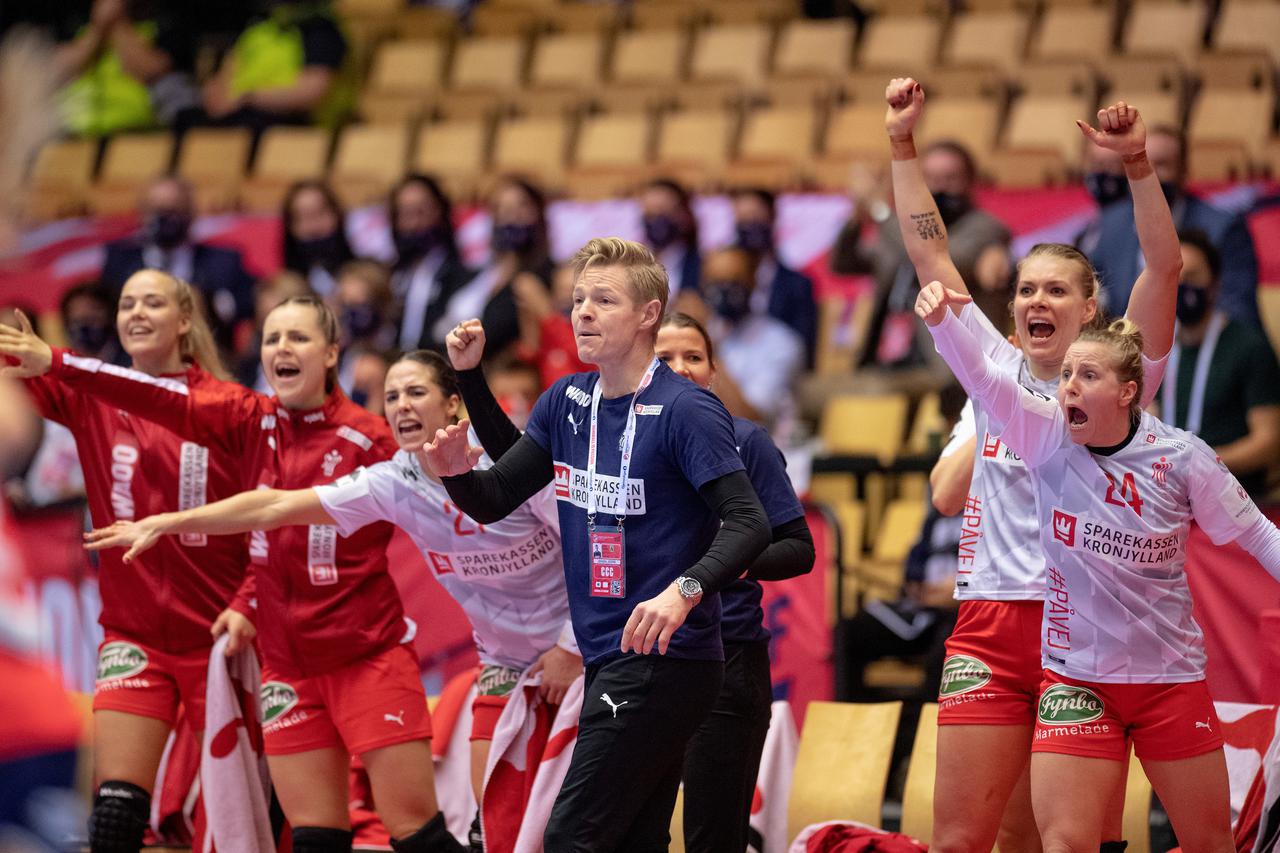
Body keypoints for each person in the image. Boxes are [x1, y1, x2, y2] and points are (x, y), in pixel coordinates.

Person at [1, 295, 462, 853]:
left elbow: (454, 501)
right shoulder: (249, 420)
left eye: (297, 338)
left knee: (417, 835)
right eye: (271, 339)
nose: (281, 349)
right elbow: (153, 394)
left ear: (332, 353)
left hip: (366, 660)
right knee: (314, 839)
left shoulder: (373, 440)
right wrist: (57, 363)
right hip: (287, 669)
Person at [84, 347, 581, 850]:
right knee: (492, 828)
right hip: (505, 660)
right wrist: (168, 523)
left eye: (416, 392)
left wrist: (569, 647)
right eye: (391, 396)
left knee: (575, 827)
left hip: (583, 652)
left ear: (454, 403)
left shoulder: (509, 459)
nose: (402, 406)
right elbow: (274, 505)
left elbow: (590, 545)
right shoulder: (393, 482)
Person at [887, 79, 1181, 853]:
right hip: (988, 621)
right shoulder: (992, 371)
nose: (1034, 300)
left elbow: (1166, 266)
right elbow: (927, 246)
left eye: (1056, 289)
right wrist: (901, 142)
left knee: (1064, 842)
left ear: (1091, 308)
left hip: (1081, 627)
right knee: (958, 839)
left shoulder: (1123, 374)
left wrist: (1139, 165)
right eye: (1025, 289)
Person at [423, 237, 771, 852]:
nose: (582, 311)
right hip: (607, 657)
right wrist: (455, 468)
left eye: (603, 299)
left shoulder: (686, 410)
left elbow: (749, 522)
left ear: (648, 314)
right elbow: (497, 494)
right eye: (578, 298)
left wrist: (683, 591)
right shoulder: (567, 400)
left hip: (669, 660)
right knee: (630, 841)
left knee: (570, 840)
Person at [916, 281, 1280, 853]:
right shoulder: (1044, 440)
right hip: (1078, 680)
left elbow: (1259, 535)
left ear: (1128, 392)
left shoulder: (1183, 458)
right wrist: (942, 325)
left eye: (1087, 376)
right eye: (1065, 377)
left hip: (1170, 680)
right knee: (1064, 844)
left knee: (1212, 844)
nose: (1067, 388)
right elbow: (985, 382)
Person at [1, 270, 253, 853]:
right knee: (114, 819)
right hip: (134, 638)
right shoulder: (91, 396)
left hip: (221, 646)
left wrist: (245, 606)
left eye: (153, 303)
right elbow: (15, 402)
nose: (135, 313)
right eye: (127, 304)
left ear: (185, 321)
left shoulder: (231, 408)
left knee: (229, 825)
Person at [654, 312, 815, 853]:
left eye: (692, 357)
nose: (679, 369)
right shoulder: (619, 445)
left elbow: (798, 548)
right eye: (664, 358)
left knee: (713, 839)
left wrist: (726, 562)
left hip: (728, 659)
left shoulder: (746, 441)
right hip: (638, 660)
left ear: (714, 371)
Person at [831, 137, 1012, 376]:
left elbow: (933, 256)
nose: (939, 188)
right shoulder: (897, 236)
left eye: (950, 179)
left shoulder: (986, 229)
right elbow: (842, 264)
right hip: (883, 359)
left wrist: (878, 209)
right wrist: (858, 214)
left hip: (946, 366)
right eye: (930, 179)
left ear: (970, 183)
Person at [1086, 123, 1261, 330]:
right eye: (1143, 163)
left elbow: (1237, 310)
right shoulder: (1112, 221)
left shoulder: (1223, 229)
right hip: (1125, 353)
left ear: (1184, 170)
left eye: (1161, 165)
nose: (1150, 175)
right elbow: (1097, 297)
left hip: (1196, 350)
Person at [1157, 229, 1280, 496]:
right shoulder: (1156, 349)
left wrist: (1203, 464)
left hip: (1237, 495)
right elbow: (1148, 422)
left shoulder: (1249, 347)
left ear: (1215, 285)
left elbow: (1269, 441)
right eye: (1174, 279)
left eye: (1191, 277)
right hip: (1169, 495)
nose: (1181, 287)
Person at [101, 175, 256, 354]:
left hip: (206, 362)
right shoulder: (121, 261)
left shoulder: (223, 261)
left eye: (174, 210)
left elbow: (250, 302)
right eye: (157, 210)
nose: (166, 219)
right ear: (142, 213)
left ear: (191, 213)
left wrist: (213, 304)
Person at [190, 0, 349, 144]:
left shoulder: (321, 32)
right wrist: (216, 99)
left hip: (289, 121)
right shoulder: (257, 30)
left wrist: (248, 97)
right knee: (187, 120)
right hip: (240, 114)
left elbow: (312, 91)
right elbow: (223, 80)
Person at [439, 177, 555, 363]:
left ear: (539, 214)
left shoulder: (544, 276)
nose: (511, 216)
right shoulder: (476, 272)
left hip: (496, 374)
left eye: (522, 207)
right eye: (502, 209)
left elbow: (544, 339)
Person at [55, 0, 197, 138]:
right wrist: (98, 29)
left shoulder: (163, 21)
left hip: (139, 132)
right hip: (74, 134)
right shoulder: (76, 20)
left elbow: (151, 70)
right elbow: (61, 69)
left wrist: (118, 24)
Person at [701, 247, 805, 429]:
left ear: (753, 282)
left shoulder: (780, 342)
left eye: (734, 281)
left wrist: (704, 349)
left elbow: (748, 419)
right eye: (715, 282)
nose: (724, 290)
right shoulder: (699, 332)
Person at [731, 187, 819, 367]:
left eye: (755, 216)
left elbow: (804, 349)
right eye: (742, 219)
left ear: (772, 219)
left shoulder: (798, 285)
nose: (749, 224)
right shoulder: (719, 280)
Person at [388, 174, 476, 353]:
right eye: (405, 214)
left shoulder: (463, 275)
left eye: (421, 212)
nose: (414, 224)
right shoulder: (391, 277)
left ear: (440, 212)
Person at [333, 260, 396, 413]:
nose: (348, 313)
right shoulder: (342, 354)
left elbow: (372, 429)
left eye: (358, 305)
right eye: (344, 304)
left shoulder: (379, 363)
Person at [282, 179, 355, 298]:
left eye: (320, 213)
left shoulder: (369, 275)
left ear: (337, 215)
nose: (314, 226)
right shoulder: (283, 290)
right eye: (302, 217)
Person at [640, 178, 702, 297]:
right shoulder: (632, 262)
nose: (656, 221)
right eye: (650, 214)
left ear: (682, 214)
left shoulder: (699, 263)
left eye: (663, 211)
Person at [60, 282, 127, 366]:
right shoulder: (64, 369)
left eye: (92, 319)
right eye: (77, 321)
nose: (84, 327)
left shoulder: (133, 360)